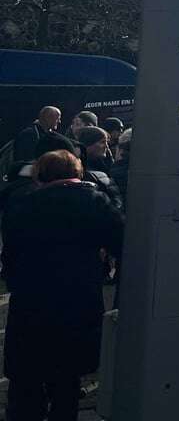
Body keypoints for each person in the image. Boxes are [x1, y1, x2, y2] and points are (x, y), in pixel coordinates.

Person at [2, 149, 124, 421]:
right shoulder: (93, 201)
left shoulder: (23, 202)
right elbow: (121, 238)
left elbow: (9, 254)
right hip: (76, 298)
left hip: (31, 300)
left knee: (26, 380)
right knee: (66, 380)